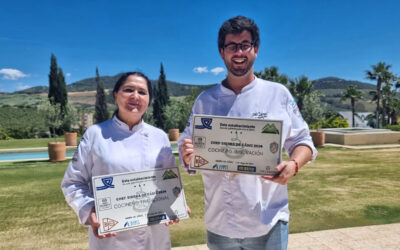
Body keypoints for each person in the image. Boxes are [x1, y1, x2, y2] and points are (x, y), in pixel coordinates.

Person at [179, 16, 317, 250]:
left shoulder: (278, 94)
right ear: (222, 52)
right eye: (232, 46)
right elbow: (187, 148)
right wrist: (187, 153)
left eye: (245, 44)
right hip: (220, 223)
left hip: (269, 221)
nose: (239, 51)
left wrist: (294, 165)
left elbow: (303, 140)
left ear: (256, 49)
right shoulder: (205, 101)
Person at [62, 72, 177, 250]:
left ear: (149, 99)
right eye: (128, 90)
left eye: (142, 92)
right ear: (116, 95)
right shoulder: (95, 134)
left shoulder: (159, 136)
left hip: (154, 236)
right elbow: (73, 182)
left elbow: (169, 180)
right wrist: (90, 209)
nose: (135, 96)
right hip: (112, 238)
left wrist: (175, 202)